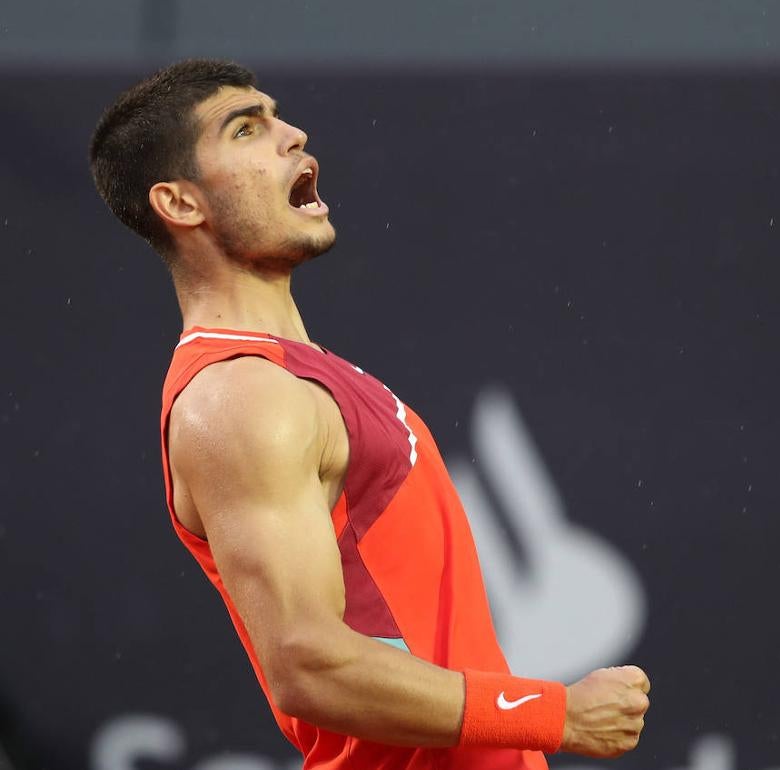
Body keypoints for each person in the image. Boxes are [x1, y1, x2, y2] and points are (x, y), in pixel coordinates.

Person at [88, 59, 650, 770]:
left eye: (277, 115)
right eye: (246, 129)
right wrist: (555, 713)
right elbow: (306, 662)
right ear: (180, 203)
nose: (293, 135)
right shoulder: (239, 398)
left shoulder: (301, 376)